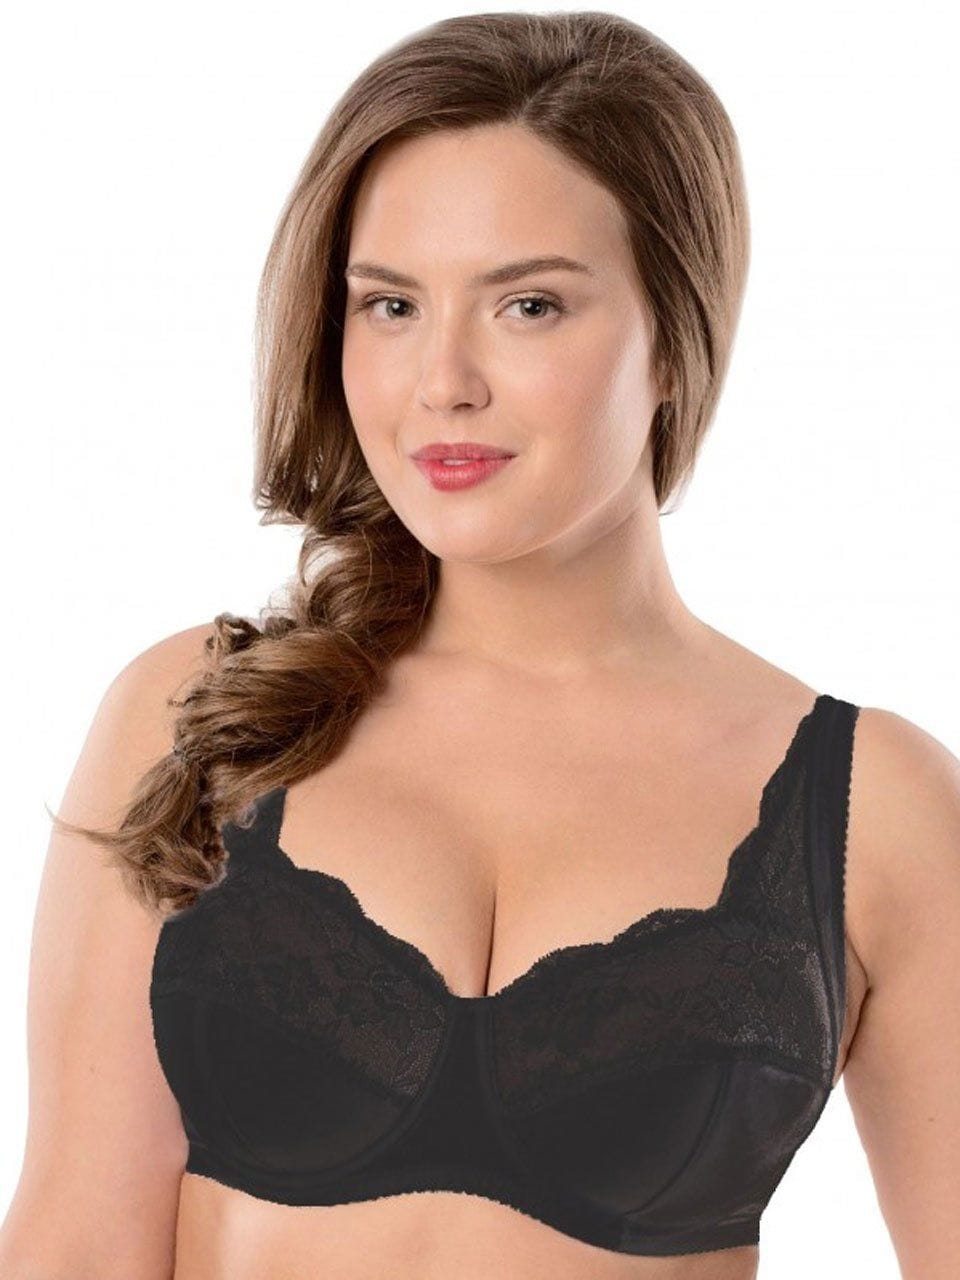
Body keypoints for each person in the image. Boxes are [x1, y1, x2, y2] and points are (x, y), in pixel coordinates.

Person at [2, 11, 958, 1280]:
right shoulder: (197, 718)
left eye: (529, 304)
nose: (442, 379)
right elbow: (74, 1244)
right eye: (391, 304)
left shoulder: (871, 809)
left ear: (676, 337)